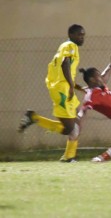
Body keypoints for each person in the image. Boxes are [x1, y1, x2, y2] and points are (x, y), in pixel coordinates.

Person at [18, 24, 86, 162]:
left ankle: (69, 156)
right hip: (62, 90)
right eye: (80, 35)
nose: (82, 38)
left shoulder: (67, 47)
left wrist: (76, 86)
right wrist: (72, 87)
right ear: (71, 35)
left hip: (64, 87)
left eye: (83, 35)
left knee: (77, 122)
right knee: (69, 128)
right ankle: (34, 118)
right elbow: (64, 63)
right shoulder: (69, 46)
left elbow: (65, 70)